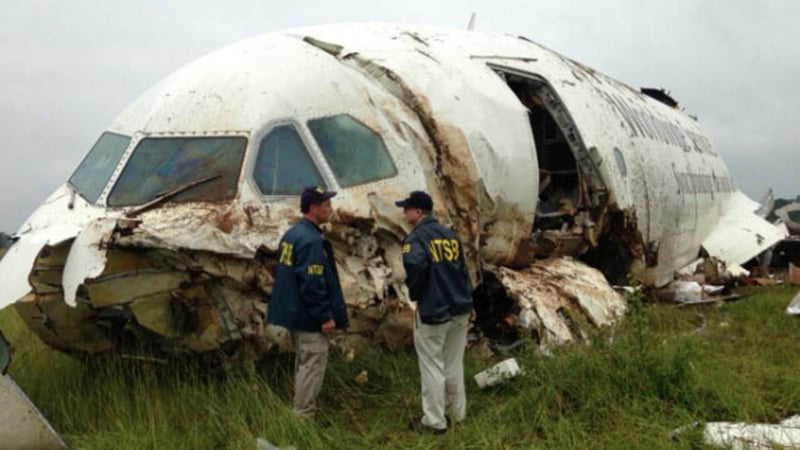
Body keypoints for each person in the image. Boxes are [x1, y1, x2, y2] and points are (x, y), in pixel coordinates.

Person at [267, 185, 348, 420]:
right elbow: (312, 283)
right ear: (313, 208)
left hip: (294, 313)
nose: (330, 210)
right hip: (308, 318)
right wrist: (325, 316)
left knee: (304, 362)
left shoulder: (292, 235)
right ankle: (303, 418)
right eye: (326, 206)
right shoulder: (311, 241)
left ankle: (301, 412)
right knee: (313, 363)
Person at [396, 190, 473, 435]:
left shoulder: (416, 239)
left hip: (434, 311)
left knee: (431, 365)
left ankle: (434, 421)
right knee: (453, 364)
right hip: (459, 308)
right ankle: (457, 414)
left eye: (406, 208)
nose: (404, 212)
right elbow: (462, 270)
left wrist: (416, 295)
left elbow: (416, 267)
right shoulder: (450, 235)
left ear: (418, 212)